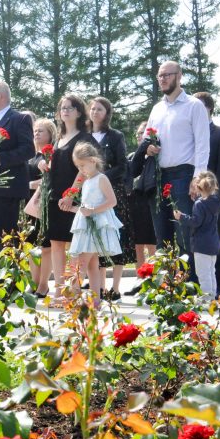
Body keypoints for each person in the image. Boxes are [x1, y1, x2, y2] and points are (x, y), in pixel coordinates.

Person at [144, 61, 209, 259]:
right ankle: (166, 286)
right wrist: (148, 147)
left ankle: (189, 286)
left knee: (184, 235)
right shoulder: (156, 109)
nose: (162, 79)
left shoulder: (194, 106)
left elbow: (203, 144)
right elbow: (146, 140)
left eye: (167, 75)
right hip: (159, 176)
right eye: (159, 76)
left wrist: (197, 178)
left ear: (179, 76)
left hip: (184, 175)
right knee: (161, 235)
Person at [37, 95, 98, 298]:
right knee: (56, 244)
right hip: (55, 198)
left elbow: (85, 169)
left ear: (79, 112)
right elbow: (58, 166)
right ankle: (59, 291)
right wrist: (44, 165)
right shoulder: (58, 139)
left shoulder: (85, 138)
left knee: (77, 246)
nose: (65, 111)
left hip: (75, 200)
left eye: (70, 107)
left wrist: (72, 194)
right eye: (62, 107)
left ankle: (73, 290)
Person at [0, 81, 35, 263]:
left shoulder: (19, 119)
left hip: (5, 192)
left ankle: (8, 288)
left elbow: (28, 150)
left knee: (5, 243)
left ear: (1, 96)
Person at [88, 97, 134, 300]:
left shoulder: (115, 136)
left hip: (112, 193)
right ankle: (99, 287)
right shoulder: (85, 136)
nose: (95, 112)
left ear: (107, 113)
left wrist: (101, 178)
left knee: (116, 238)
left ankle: (115, 288)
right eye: (92, 108)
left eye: (99, 109)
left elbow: (123, 166)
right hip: (90, 195)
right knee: (95, 239)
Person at [68, 142, 122, 301]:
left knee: (81, 263)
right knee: (92, 265)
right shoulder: (87, 180)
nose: (80, 170)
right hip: (86, 225)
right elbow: (86, 205)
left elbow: (112, 201)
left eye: (82, 165)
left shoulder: (101, 178)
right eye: (78, 166)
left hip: (96, 226)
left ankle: (73, 298)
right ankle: (96, 301)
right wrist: (72, 208)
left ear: (93, 160)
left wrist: (92, 211)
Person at [197, 92, 220, 296]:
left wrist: (216, 198)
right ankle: (200, 286)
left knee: (217, 241)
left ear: (209, 108)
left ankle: (219, 286)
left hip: (214, 200)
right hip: (194, 198)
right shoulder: (189, 134)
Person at [174, 171, 220, 302]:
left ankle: (206, 298)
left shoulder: (199, 204)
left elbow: (195, 221)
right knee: (211, 272)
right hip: (213, 242)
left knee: (203, 273)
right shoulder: (216, 202)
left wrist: (181, 217)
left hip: (201, 243)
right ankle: (211, 296)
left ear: (199, 188)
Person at [26, 118, 57, 297]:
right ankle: (34, 283)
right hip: (30, 204)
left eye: (41, 131)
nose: (36, 133)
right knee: (31, 245)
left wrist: (31, 184)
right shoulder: (30, 155)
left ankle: (44, 285)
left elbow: (51, 179)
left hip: (45, 204)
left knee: (46, 246)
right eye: (35, 130)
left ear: (50, 134)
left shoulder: (51, 155)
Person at [125, 122, 157, 295]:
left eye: (142, 134)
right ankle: (140, 280)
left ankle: (153, 279)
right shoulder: (132, 156)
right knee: (138, 244)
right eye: (138, 134)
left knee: (152, 244)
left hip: (150, 202)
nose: (139, 136)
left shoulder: (156, 156)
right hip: (134, 202)